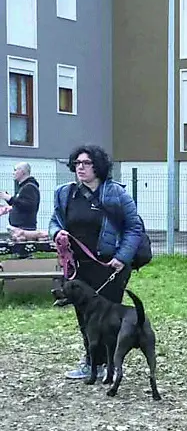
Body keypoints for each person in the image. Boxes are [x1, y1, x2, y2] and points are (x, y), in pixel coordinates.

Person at [48, 145, 145, 380]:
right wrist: (57, 233)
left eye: (86, 163)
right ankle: (92, 361)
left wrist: (122, 258)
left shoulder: (116, 193)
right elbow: (55, 221)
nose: (80, 167)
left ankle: (109, 363)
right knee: (85, 316)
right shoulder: (65, 193)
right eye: (77, 163)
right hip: (78, 267)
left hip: (109, 266)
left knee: (107, 318)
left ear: (98, 166)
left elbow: (134, 227)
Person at [1, 162, 41, 238]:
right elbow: (19, 204)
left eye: (15, 170)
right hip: (19, 228)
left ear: (22, 171)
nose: (13, 173)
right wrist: (11, 206)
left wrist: (9, 198)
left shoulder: (29, 187)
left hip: (25, 229)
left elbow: (29, 205)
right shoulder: (23, 187)